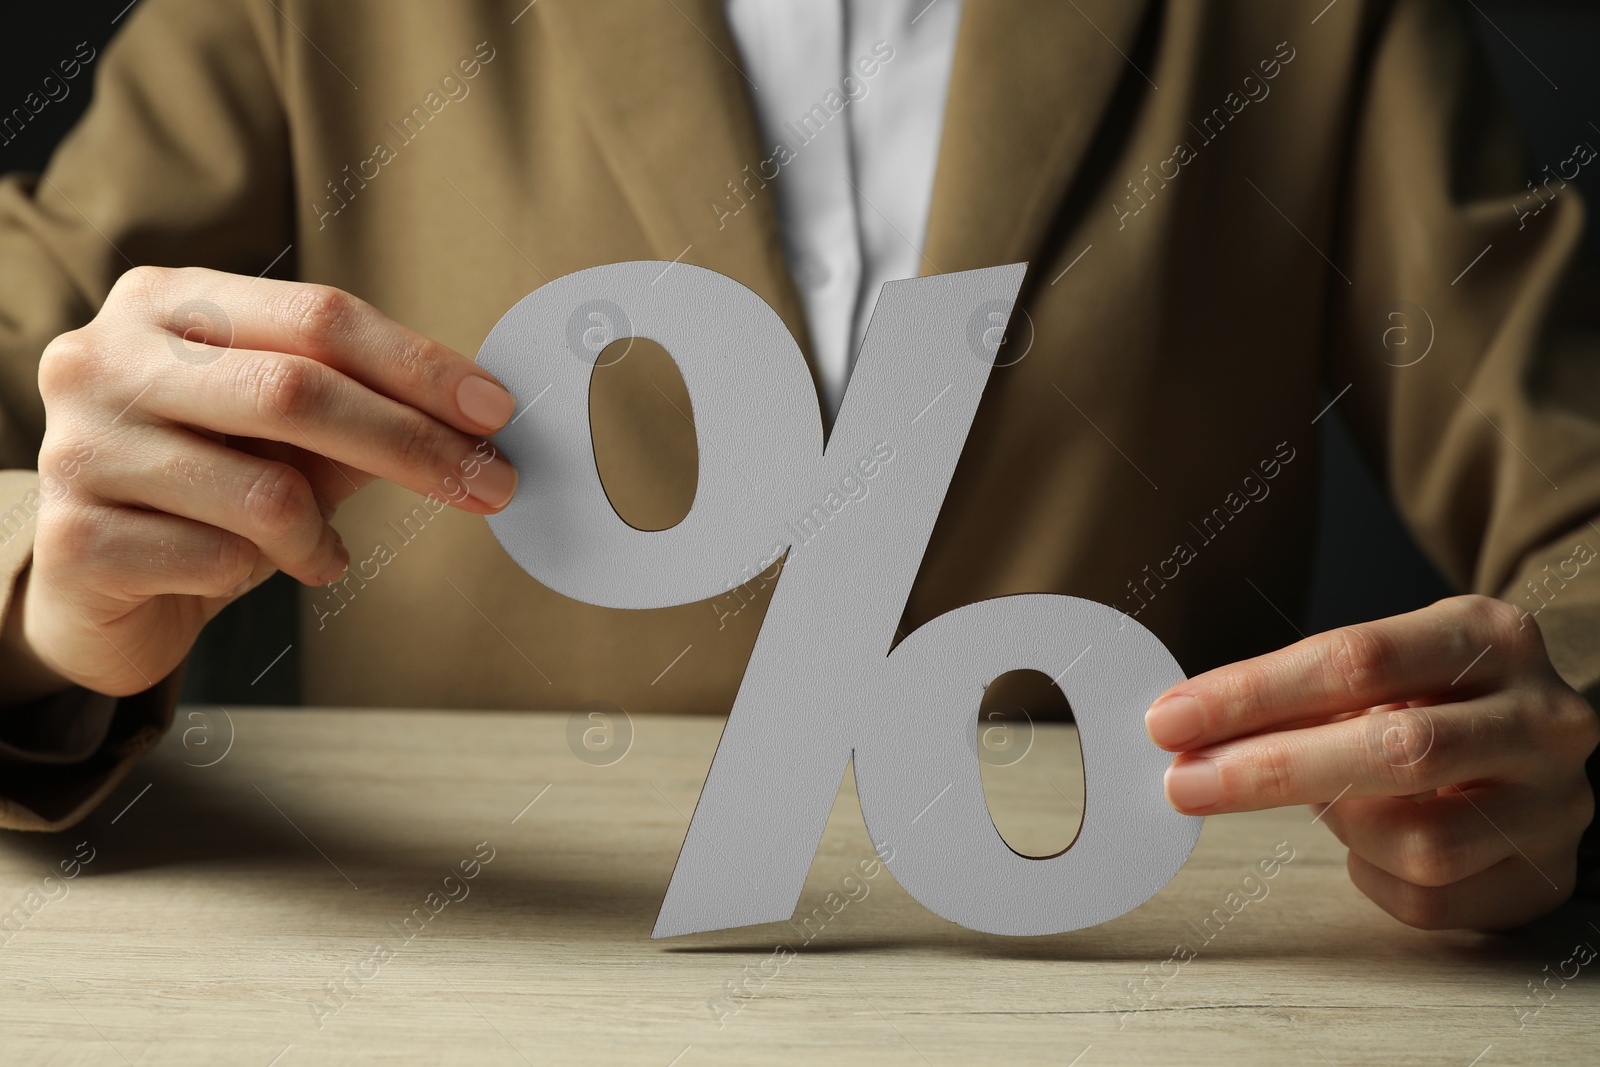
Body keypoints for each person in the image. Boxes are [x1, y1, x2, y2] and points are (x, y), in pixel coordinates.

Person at [0, 0, 1596, 933]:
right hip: (470, 977)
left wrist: (1560, 740)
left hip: (1102, 998)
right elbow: (28, 380)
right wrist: (38, 600)